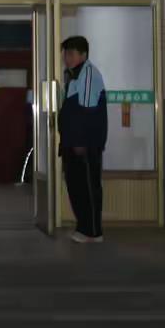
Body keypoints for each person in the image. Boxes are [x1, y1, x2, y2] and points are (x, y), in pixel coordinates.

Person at [59, 35, 108, 243]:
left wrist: (80, 142)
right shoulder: (73, 75)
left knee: (88, 187)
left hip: (85, 145)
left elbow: (86, 112)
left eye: (71, 54)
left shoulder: (88, 73)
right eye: (65, 54)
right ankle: (83, 227)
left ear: (83, 55)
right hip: (72, 143)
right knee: (76, 187)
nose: (67, 58)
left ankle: (93, 232)